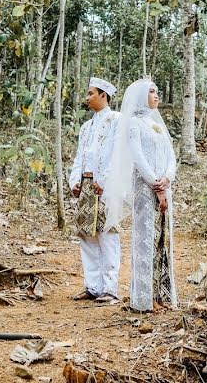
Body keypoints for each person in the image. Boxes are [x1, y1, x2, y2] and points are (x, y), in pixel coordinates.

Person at [108, 78, 178, 312]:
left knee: (162, 240)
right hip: (144, 188)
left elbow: (171, 154)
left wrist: (167, 178)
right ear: (140, 96)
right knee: (145, 240)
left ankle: (161, 295)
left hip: (163, 187)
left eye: (157, 91)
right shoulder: (134, 124)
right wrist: (155, 184)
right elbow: (137, 157)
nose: (156, 95)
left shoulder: (157, 125)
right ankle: (143, 298)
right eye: (151, 92)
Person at [69, 77, 122, 303]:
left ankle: (110, 288)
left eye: (91, 93)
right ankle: (93, 286)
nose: (87, 97)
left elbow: (119, 154)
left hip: (106, 187)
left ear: (103, 95)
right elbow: (80, 156)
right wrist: (74, 181)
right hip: (87, 186)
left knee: (107, 234)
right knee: (86, 236)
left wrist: (106, 180)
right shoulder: (86, 126)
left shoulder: (117, 120)